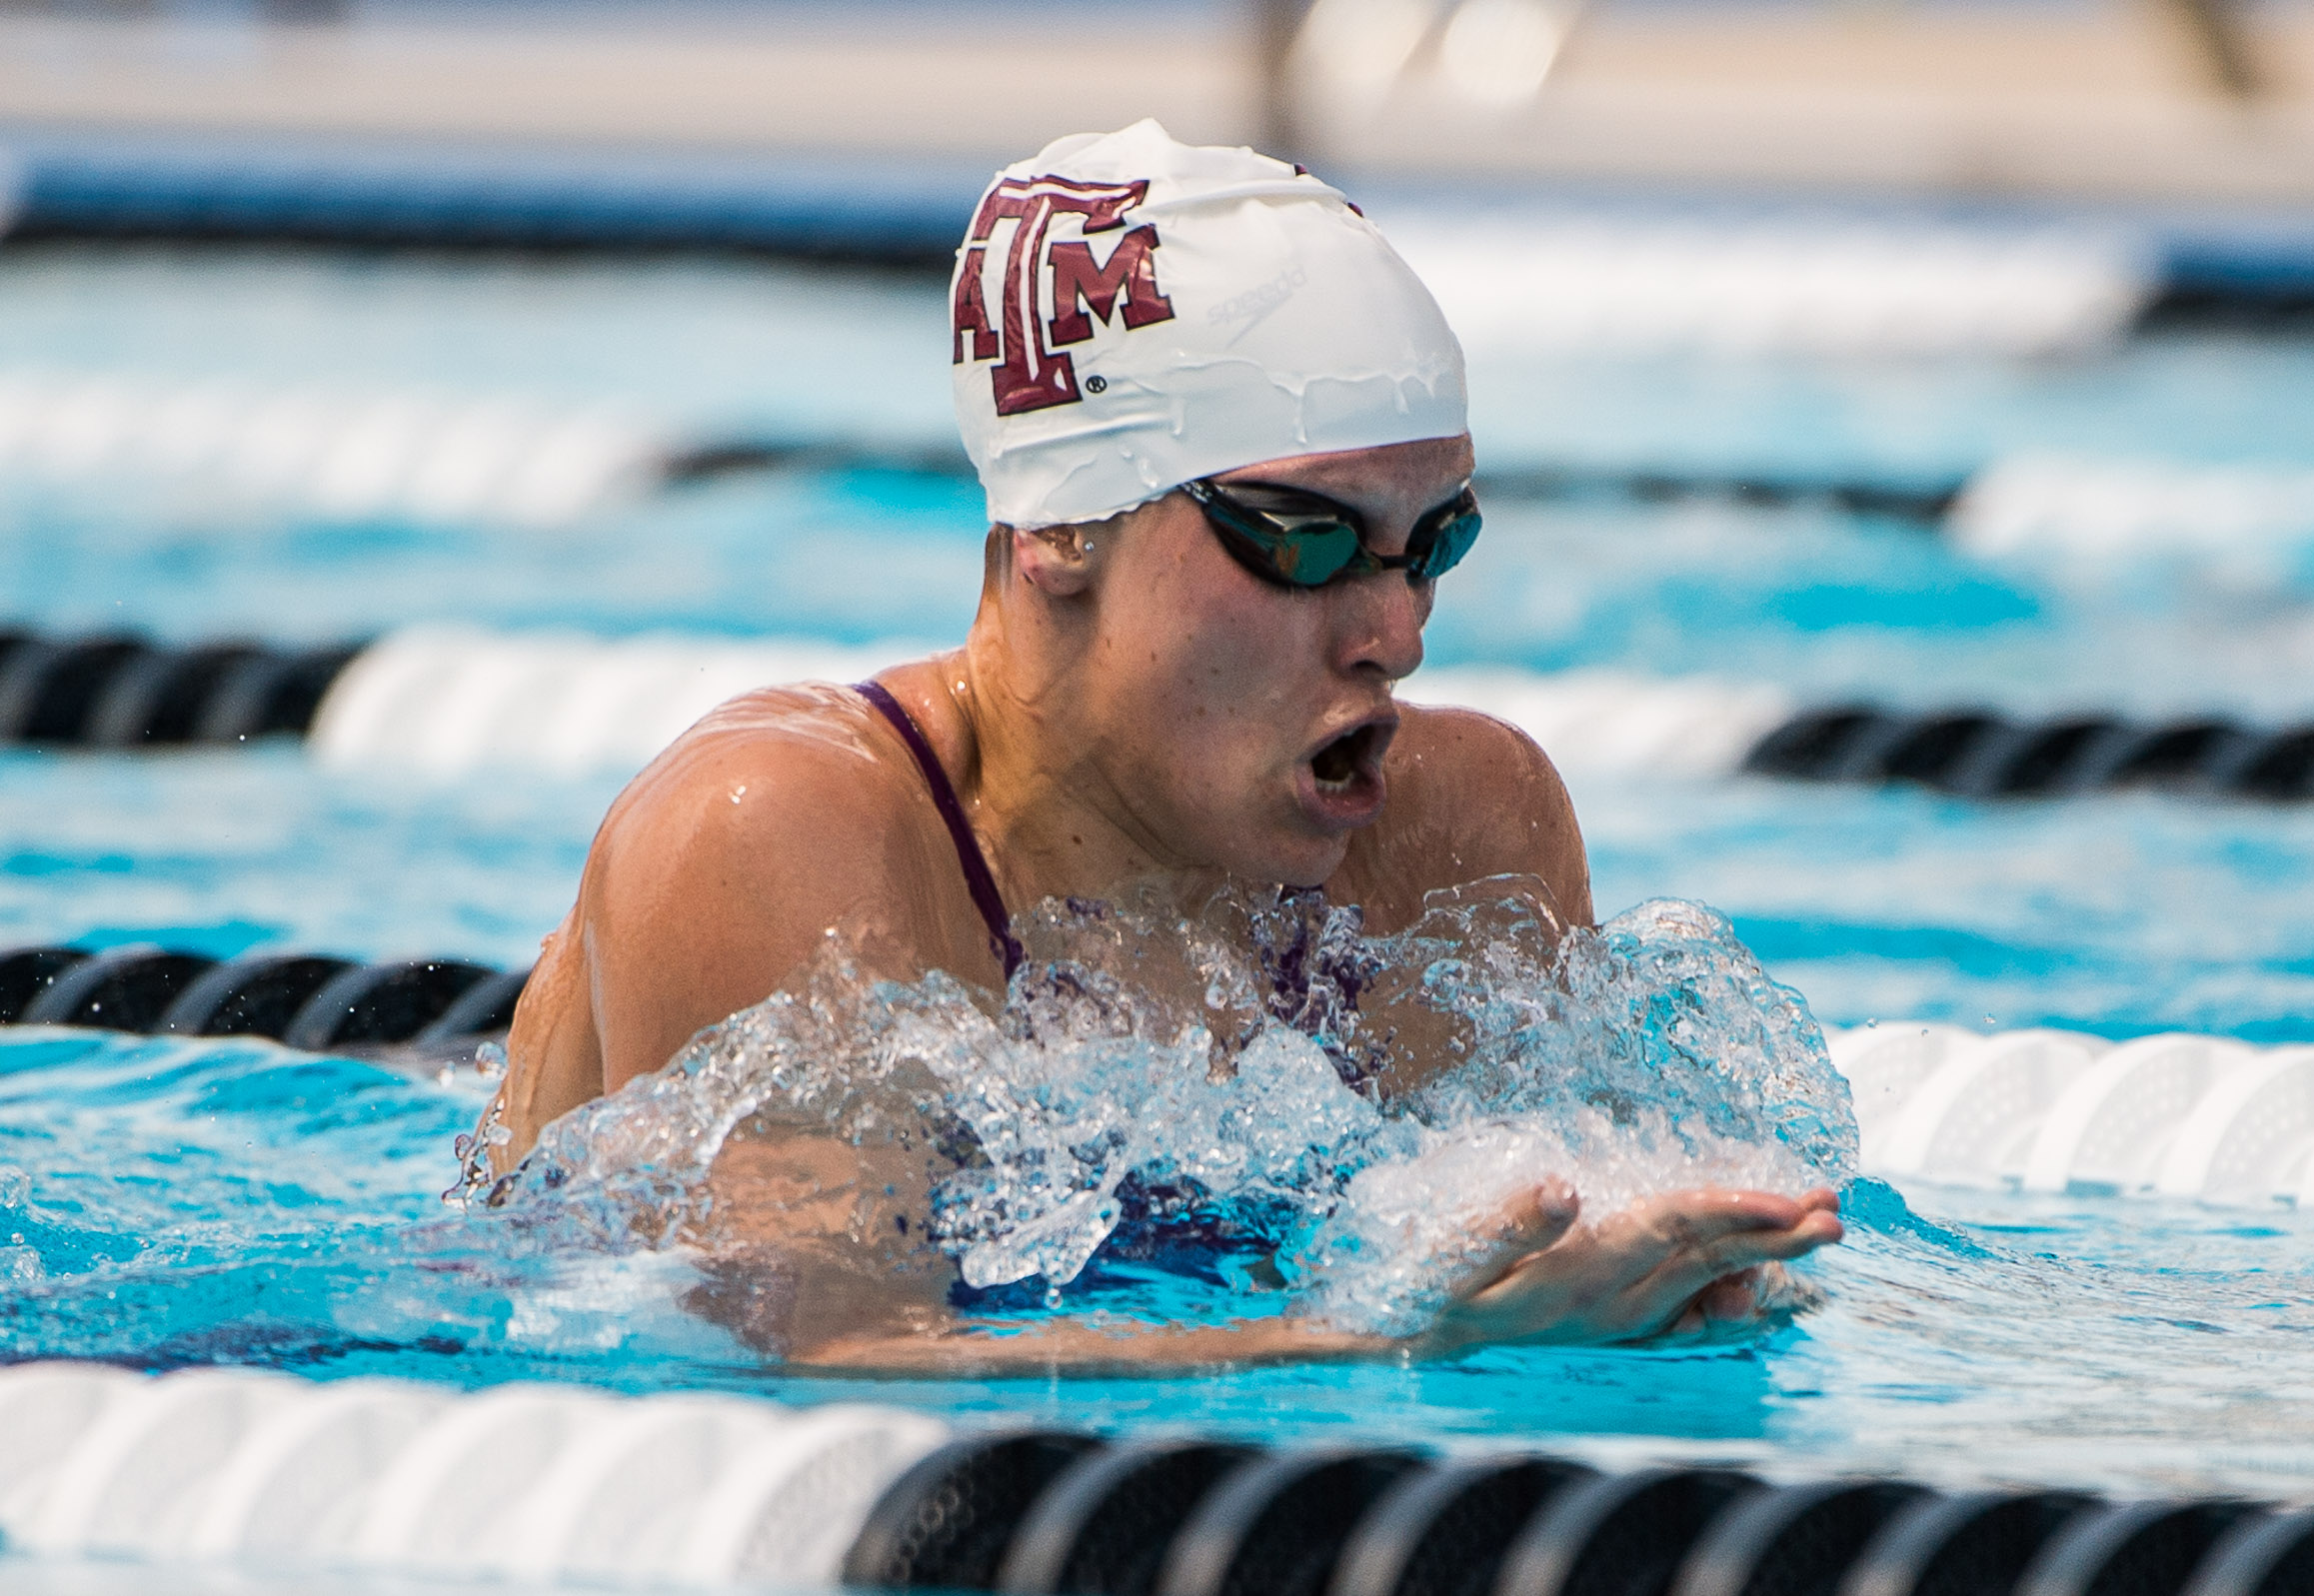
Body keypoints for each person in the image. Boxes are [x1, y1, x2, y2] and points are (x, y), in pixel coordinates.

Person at [484, 121, 1842, 1368]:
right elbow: (828, 1360)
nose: (1396, 633)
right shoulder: (781, 835)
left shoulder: (1461, 832)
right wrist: (1380, 1340)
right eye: (1303, 538)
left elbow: (1526, 1254)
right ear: (1064, 526)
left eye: (1433, 544)